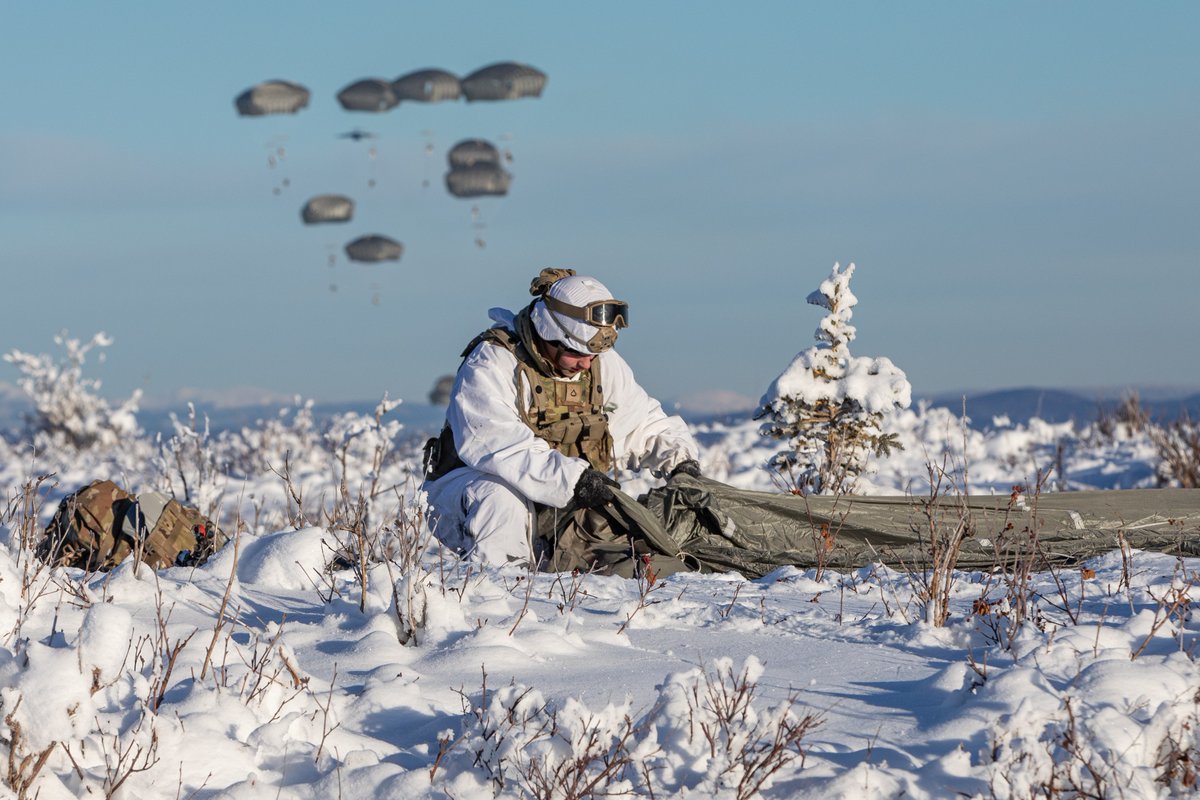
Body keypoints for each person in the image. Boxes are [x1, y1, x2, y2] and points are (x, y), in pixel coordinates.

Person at [422, 268, 702, 567]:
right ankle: (497, 598)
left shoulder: (597, 362)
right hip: (469, 490)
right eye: (575, 353)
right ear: (549, 335)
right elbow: (497, 445)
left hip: (563, 494)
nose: (585, 364)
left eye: (592, 355)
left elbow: (641, 422)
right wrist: (574, 479)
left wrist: (679, 461)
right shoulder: (492, 362)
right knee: (501, 500)